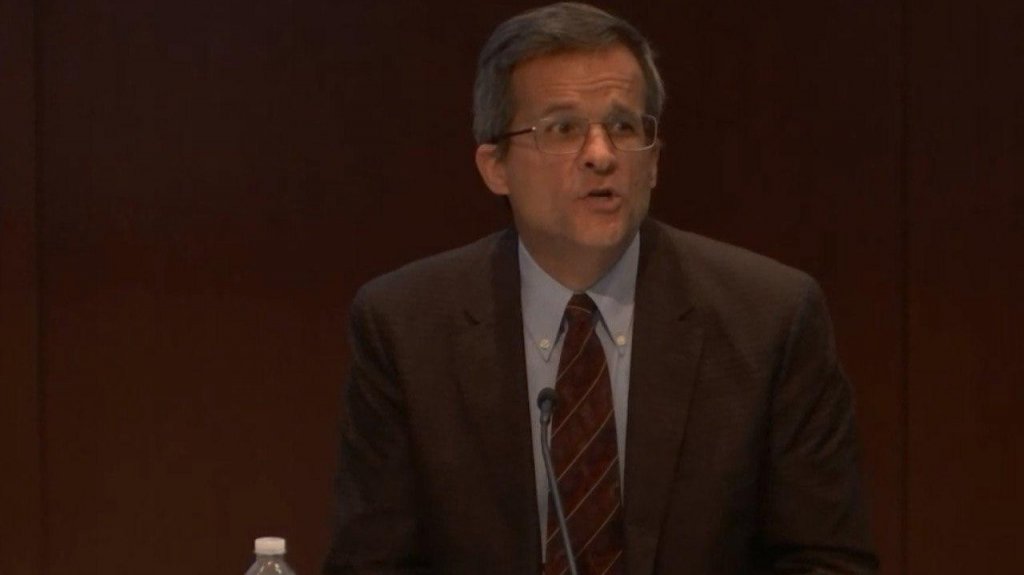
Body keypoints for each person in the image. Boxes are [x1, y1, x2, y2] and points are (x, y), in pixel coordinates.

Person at [323, 3, 878, 574]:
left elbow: (826, 562)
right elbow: (372, 565)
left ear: (653, 161)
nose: (601, 155)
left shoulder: (769, 319)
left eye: (623, 127)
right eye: (563, 129)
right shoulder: (406, 328)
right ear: (495, 167)